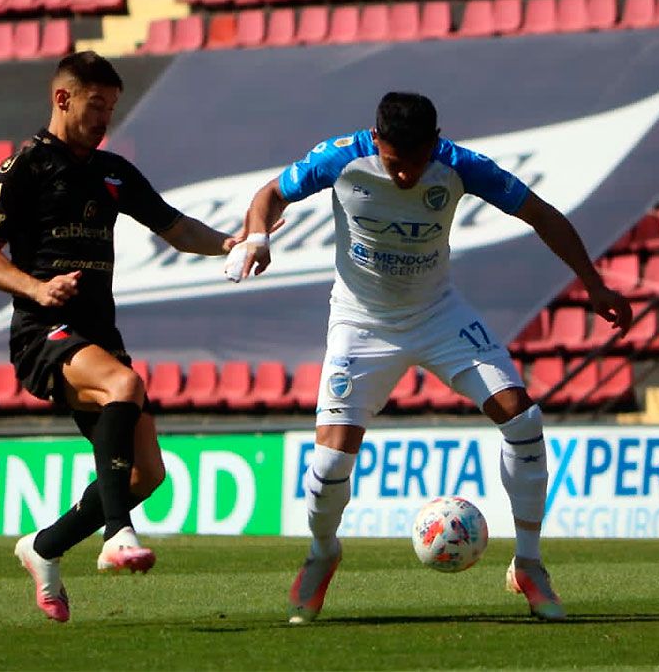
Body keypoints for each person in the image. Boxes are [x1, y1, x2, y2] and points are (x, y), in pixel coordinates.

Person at [235, 91, 632, 624]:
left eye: (418, 163)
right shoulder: (339, 158)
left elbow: (543, 215)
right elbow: (269, 195)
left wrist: (594, 285)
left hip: (438, 313)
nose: (406, 177)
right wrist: (258, 237)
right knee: (330, 461)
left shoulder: (459, 166)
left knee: (523, 417)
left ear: (435, 144)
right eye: (397, 165)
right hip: (361, 321)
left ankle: (530, 564)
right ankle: (323, 552)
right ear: (377, 142)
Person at [0, 51, 250, 623]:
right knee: (125, 383)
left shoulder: (112, 171)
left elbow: (174, 226)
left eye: (112, 108)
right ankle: (117, 534)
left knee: (148, 473)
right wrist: (37, 288)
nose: (105, 119)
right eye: (97, 105)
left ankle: (43, 549)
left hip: (97, 332)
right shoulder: (23, 167)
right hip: (42, 331)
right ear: (63, 98)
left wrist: (229, 243)